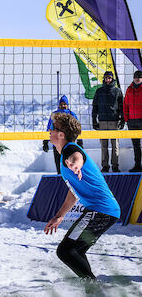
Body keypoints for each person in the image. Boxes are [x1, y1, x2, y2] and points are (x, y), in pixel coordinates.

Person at [44, 112, 120, 281]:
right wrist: (59, 216)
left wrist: (75, 165)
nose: (49, 131)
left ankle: (93, 286)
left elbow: (77, 157)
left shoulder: (70, 150)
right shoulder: (65, 154)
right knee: (74, 251)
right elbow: (74, 192)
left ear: (61, 134)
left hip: (102, 211)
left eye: (52, 128)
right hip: (103, 211)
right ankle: (91, 286)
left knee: (65, 251)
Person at [92, 71, 124, 172]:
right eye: (106, 78)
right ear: (104, 79)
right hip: (102, 121)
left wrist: (122, 120)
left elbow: (121, 107)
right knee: (103, 145)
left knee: (115, 145)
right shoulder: (99, 91)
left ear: (112, 79)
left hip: (114, 121)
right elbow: (95, 106)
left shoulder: (117, 91)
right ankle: (105, 166)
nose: (108, 80)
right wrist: (94, 120)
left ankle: (115, 166)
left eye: (109, 78)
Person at [42, 95, 82, 174]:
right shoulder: (54, 115)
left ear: (67, 105)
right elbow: (49, 128)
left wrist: (80, 141)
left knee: (69, 168)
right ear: (59, 105)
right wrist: (45, 141)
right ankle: (60, 181)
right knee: (59, 168)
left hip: (69, 144)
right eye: (61, 104)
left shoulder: (72, 114)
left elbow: (77, 128)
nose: (63, 105)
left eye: (64, 104)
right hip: (57, 145)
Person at [123, 70, 142, 172]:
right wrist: (127, 119)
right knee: (136, 145)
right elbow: (125, 105)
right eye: (135, 76)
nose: (137, 78)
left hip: (141, 120)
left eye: (139, 77)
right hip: (132, 121)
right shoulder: (129, 89)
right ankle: (138, 165)